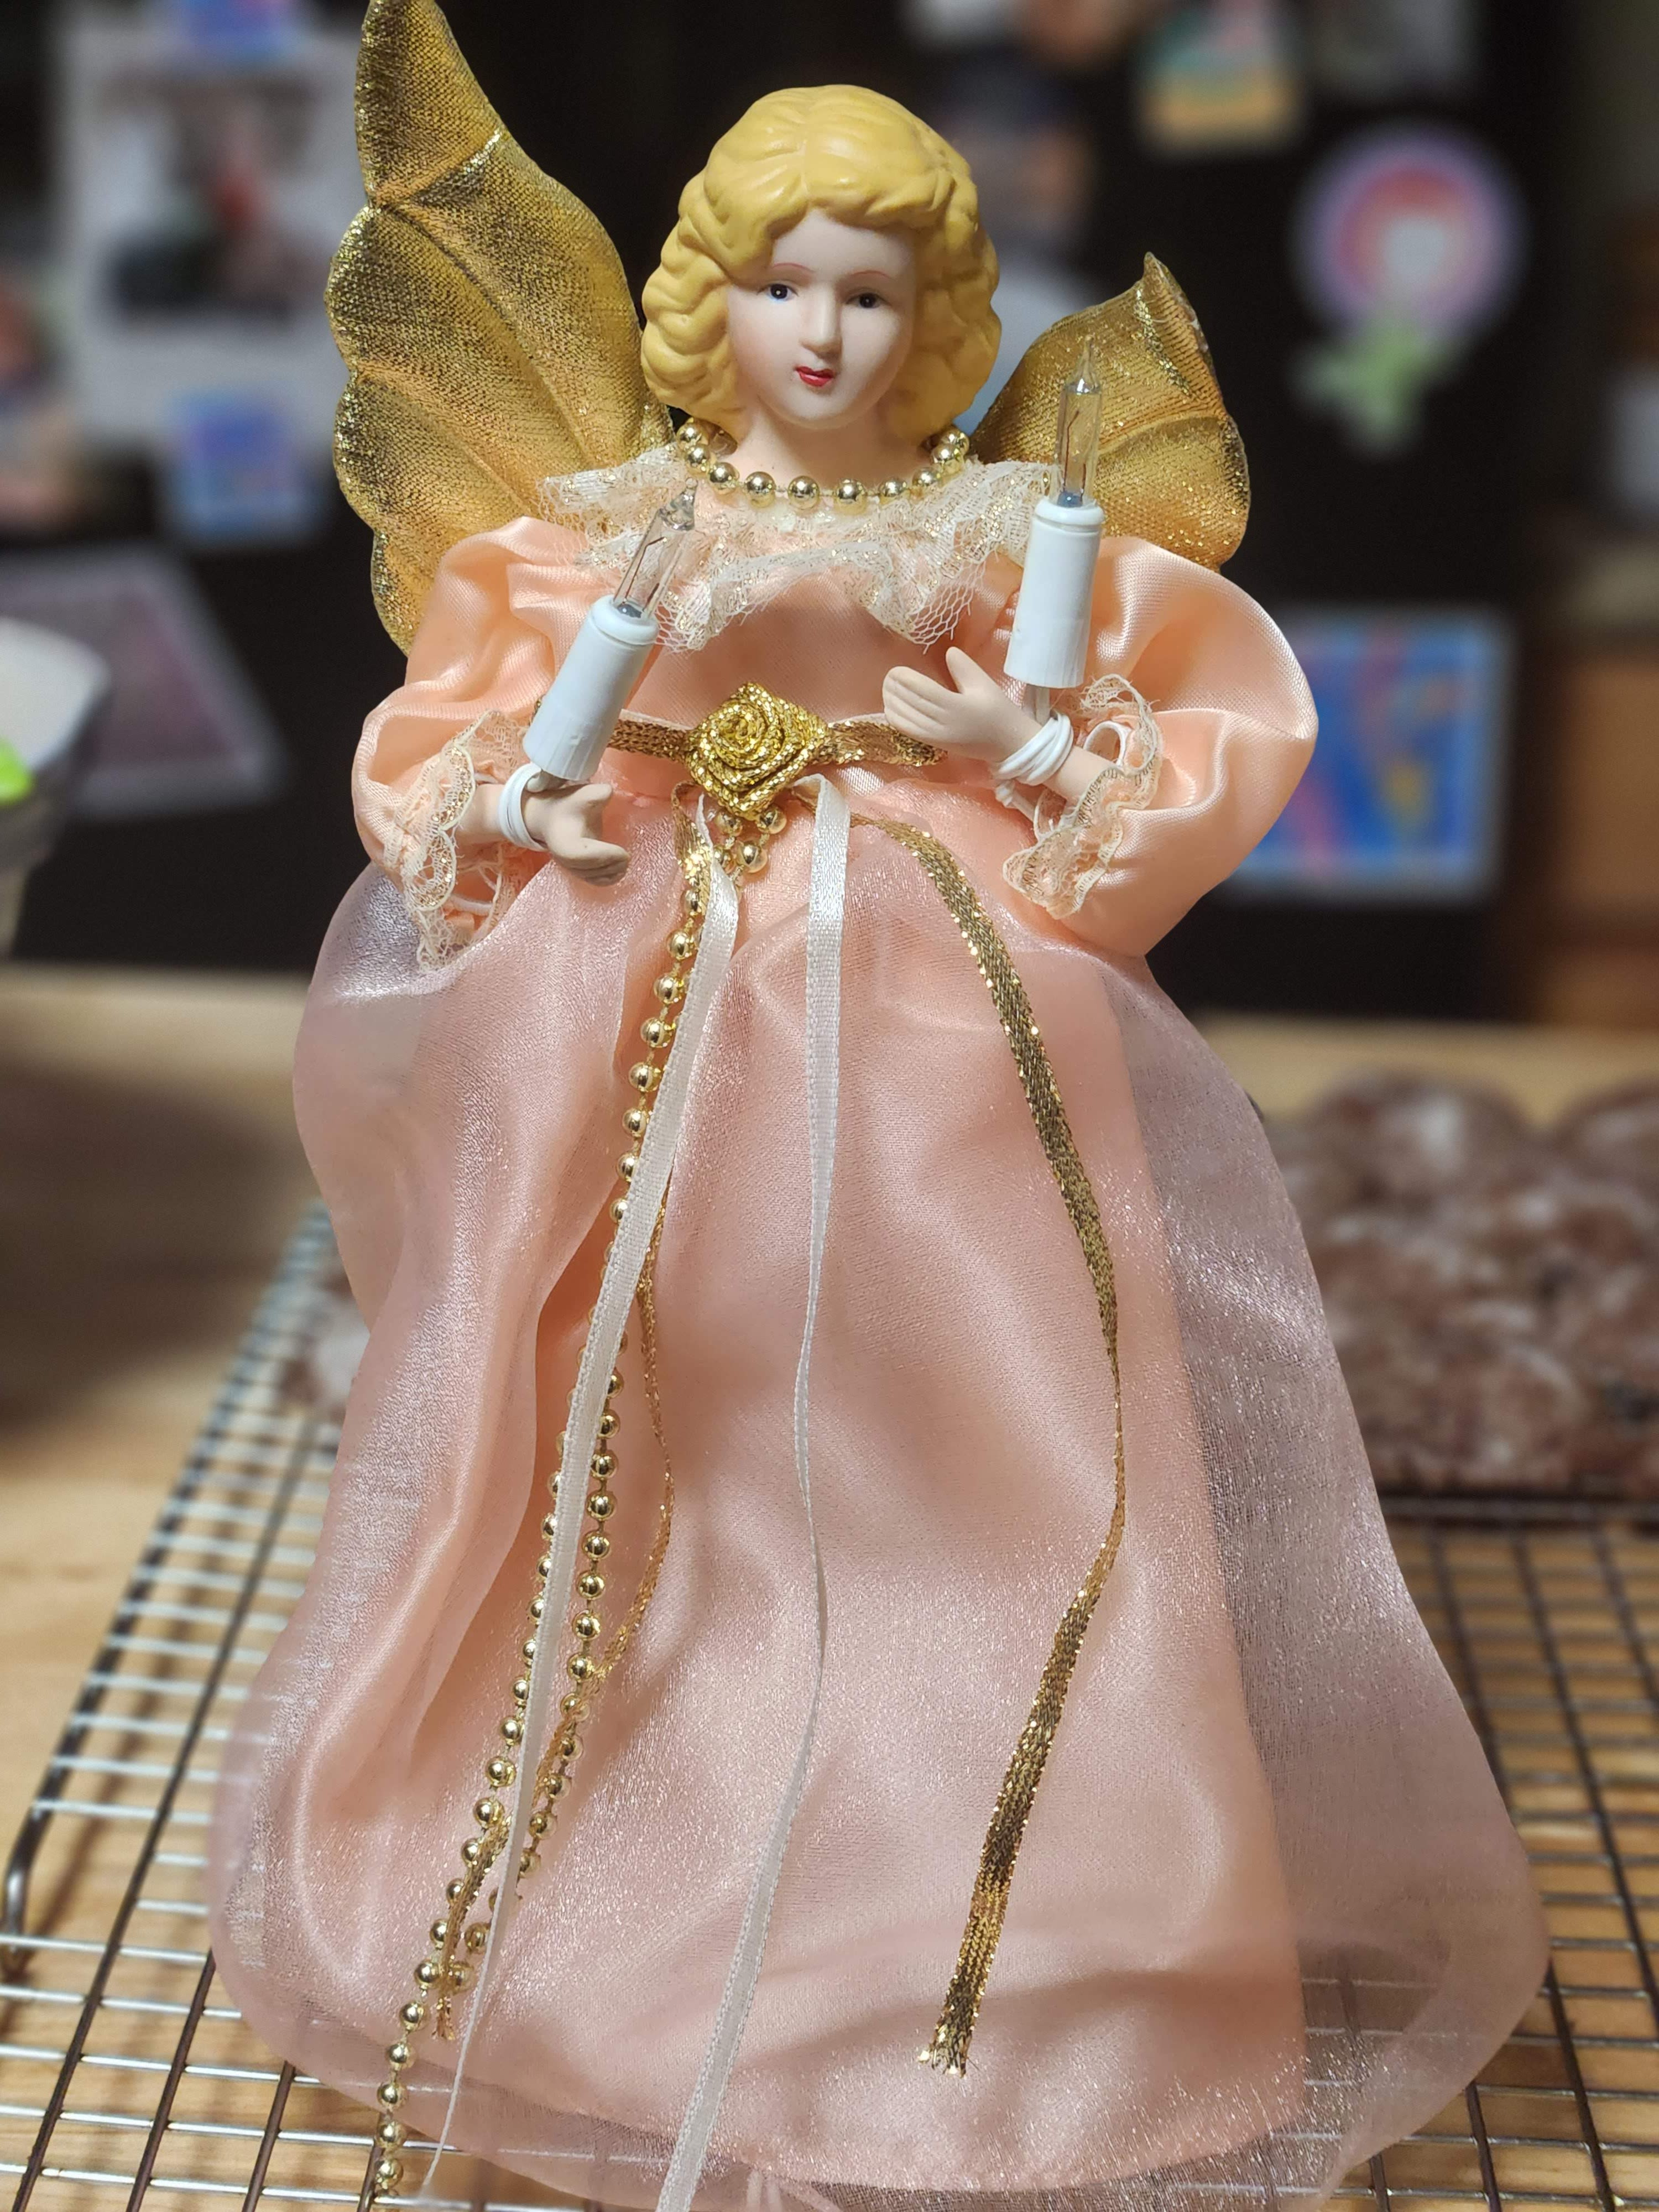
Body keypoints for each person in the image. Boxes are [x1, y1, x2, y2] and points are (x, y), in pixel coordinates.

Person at [208, 26, 1546, 2212]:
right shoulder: (624, 527)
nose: (821, 332)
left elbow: (1158, 757)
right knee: (657, 1423)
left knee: (977, 1438)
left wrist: (1036, 750)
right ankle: (621, 1899)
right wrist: (531, 801)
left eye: (868, 292)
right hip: (657, 1006)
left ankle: (1011, 1960)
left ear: (931, 320)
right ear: (707, 302)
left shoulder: (992, 535)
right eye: (781, 285)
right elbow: (470, 745)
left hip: (937, 1022)